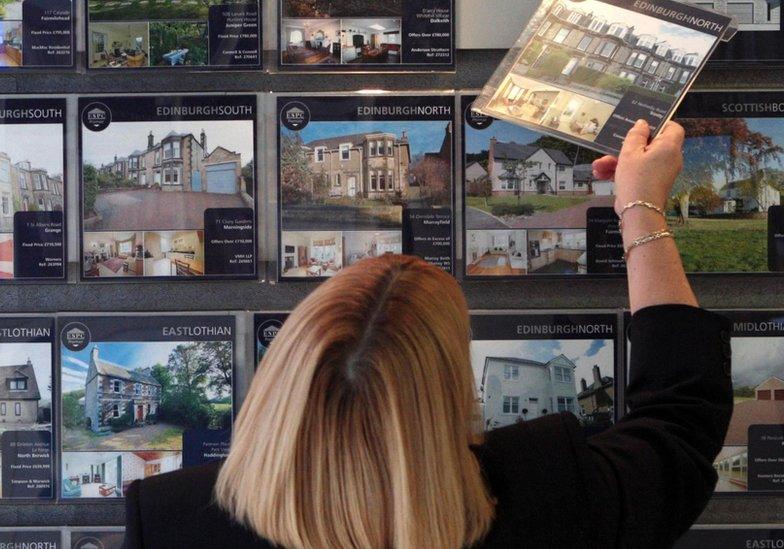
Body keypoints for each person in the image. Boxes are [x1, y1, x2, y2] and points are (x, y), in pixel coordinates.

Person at [124, 119, 734, 548]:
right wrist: (641, 205)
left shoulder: (174, 520)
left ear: (279, 383)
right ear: (449, 388)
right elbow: (682, 413)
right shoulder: (550, 497)